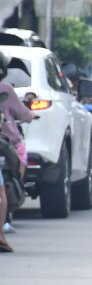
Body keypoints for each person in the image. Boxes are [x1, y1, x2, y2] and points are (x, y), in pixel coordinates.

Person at [0, 54, 35, 250]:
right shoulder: (6, 89)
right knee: (4, 188)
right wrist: (32, 114)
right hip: (11, 142)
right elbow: (23, 114)